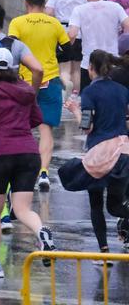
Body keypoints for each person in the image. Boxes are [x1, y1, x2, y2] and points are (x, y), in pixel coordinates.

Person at [0, 48, 56, 278]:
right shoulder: (26, 91)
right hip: (28, 153)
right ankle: (41, 232)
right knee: (23, 208)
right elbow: (36, 119)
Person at [8, 0, 70, 192]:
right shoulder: (54, 23)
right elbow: (68, 50)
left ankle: (20, 170)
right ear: (44, 5)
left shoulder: (17, 23)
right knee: (46, 130)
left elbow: (11, 49)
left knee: (21, 128)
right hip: (49, 78)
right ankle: (43, 172)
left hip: (24, 81)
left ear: (26, 3)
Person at [72, 50, 129, 259]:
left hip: (99, 154)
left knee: (96, 203)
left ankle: (104, 251)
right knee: (115, 206)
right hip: (123, 151)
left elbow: (86, 127)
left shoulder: (89, 92)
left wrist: (74, 110)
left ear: (91, 69)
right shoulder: (122, 90)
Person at [68, 0, 129, 89]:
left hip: (89, 63)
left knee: (88, 97)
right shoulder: (115, 7)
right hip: (113, 60)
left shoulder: (79, 10)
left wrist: (66, 50)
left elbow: (72, 34)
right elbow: (127, 26)